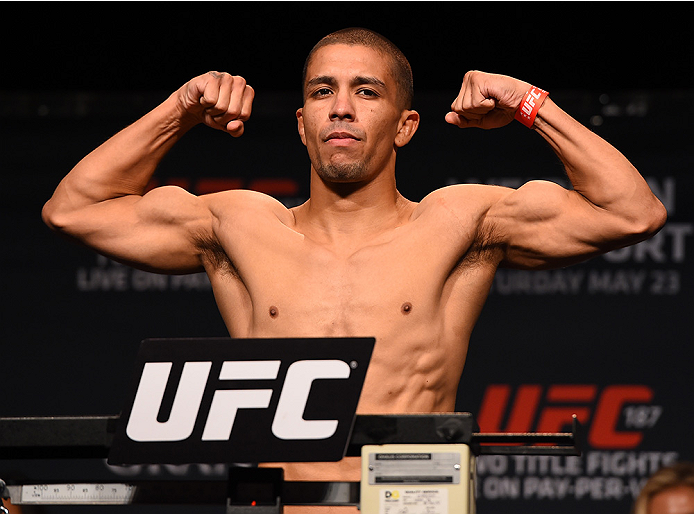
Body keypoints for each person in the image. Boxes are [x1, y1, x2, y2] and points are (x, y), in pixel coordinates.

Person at [42, 28, 666, 513]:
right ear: (302, 125)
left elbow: (632, 213)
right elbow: (73, 209)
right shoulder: (241, 227)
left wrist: (529, 102)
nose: (341, 108)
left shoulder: (460, 221)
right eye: (322, 92)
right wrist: (178, 109)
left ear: (405, 125)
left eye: (366, 92)